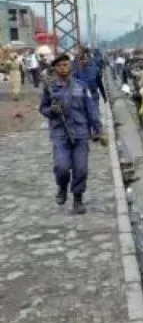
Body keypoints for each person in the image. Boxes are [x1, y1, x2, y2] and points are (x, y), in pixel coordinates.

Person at [40, 54, 104, 215]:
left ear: (71, 67)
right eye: (60, 65)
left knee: (81, 168)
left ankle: (78, 198)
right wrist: (51, 111)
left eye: (66, 65)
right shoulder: (50, 88)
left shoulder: (81, 86)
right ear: (54, 68)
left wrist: (98, 130)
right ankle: (62, 187)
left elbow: (91, 110)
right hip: (60, 133)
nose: (64, 68)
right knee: (61, 167)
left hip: (80, 132)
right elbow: (43, 108)